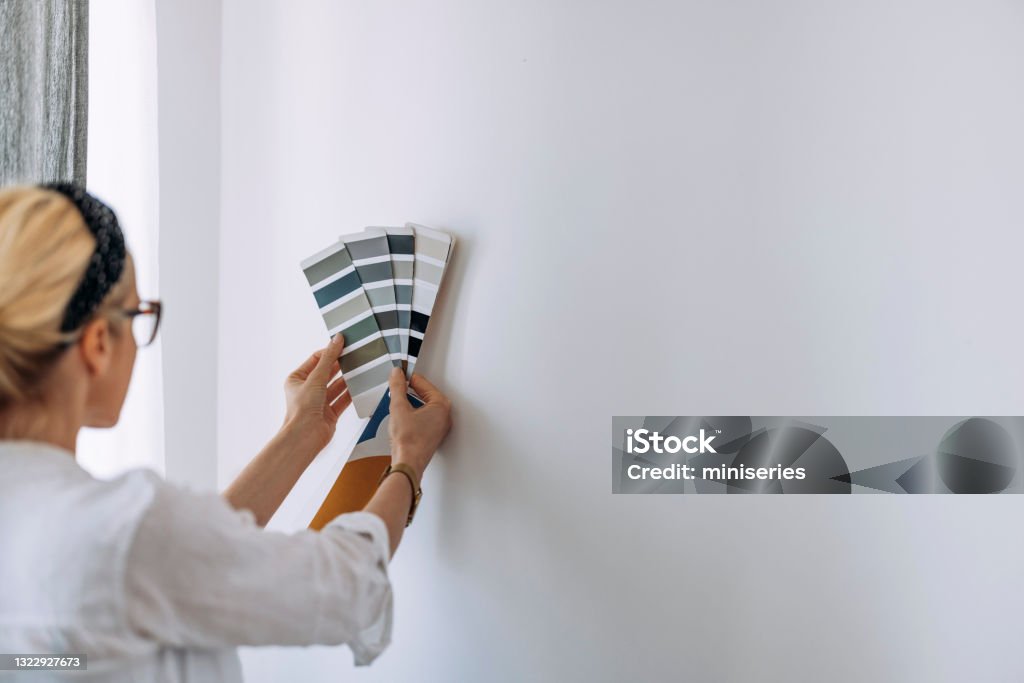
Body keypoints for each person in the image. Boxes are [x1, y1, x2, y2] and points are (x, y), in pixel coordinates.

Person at [0, 184, 452, 681]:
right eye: (138, 314)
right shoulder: (121, 532)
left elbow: (183, 565)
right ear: (97, 344)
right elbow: (346, 584)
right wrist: (407, 461)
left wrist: (298, 436)